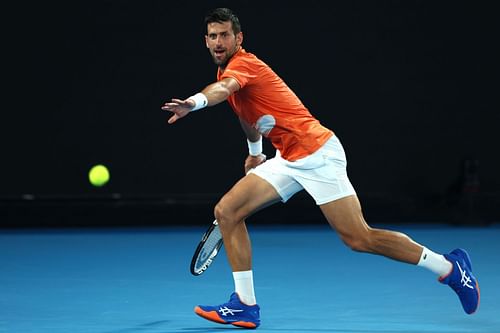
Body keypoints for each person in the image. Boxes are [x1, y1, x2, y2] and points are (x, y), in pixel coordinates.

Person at [162, 7, 480, 329]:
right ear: (206, 41)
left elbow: (223, 92)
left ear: (238, 38)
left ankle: (450, 268)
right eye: (213, 36)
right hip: (287, 157)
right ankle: (245, 305)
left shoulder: (243, 64)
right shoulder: (228, 73)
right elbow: (249, 117)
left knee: (359, 238)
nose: (218, 41)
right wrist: (255, 152)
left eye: (225, 35)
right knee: (227, 211)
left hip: (317, 154)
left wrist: (193, 102)